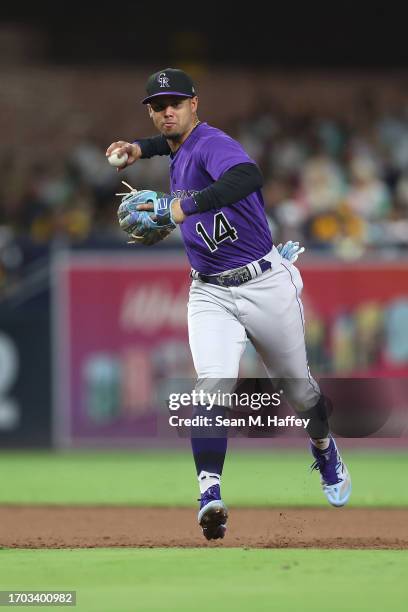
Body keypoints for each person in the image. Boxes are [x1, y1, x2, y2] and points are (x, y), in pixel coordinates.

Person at [106, 68, 351, 541]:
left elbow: (248, 176)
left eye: (176, 101)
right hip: (209, 291)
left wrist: (180, 208)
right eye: (159, 106)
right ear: (152, 113)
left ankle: (323, 447)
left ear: (195, 103)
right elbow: (171, 144)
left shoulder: (213, 143)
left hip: (264, 286)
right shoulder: (176, 146)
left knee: (300, 394)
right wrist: (140, 148)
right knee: (210, 389)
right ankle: (210, 494)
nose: (168, 111)